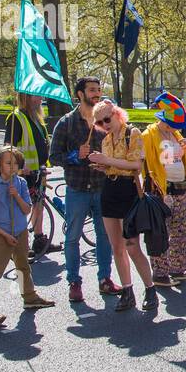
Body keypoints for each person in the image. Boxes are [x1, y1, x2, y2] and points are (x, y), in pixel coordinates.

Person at [50, 77, 120, 304]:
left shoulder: (106, 121)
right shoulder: (66, 123)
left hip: (103, 187)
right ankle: (74, 281)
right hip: (77, 188)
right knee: (72, 237)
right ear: (80, 94)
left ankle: (105, 279)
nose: (96, 94)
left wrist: (108, 162)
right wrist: (75, 155)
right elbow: (53, 157)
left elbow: (119, 150)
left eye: (99, 90)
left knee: (104, 236)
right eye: (92, 90)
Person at [87, 102, 157, 312]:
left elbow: (136, 165)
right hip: (110, 189)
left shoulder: (132, 133)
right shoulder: (106, 139)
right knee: (116, 246)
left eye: (107, 119)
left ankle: (150, 288)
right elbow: (115, 165)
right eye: (99, 122)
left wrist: (107, 160)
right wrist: (104, 166)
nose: (104, 125)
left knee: (132, 246)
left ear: (117, 114)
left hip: (128, 191)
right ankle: (127, 290)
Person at [0, 145, 55, 328]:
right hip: (2, 235)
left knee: (23, 267)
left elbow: (27, 209)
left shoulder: (20, 183)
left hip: (20, 232)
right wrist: (4, 234)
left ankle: (29, 296)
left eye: (15, 163)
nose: (12, 167)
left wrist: (16, 196)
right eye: (8, 163)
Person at [142, 92, 186, 287]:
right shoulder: (149, 135)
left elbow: (181, 158)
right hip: (161, 190)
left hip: (179, 187)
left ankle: (177, 268)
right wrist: (178, 152)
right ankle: (160, 272)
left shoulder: (176, 133)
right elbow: (147, 162)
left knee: (179, 231)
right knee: (160, 232)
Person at [4, 93, 60, 257]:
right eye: (36, 96)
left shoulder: (37, 118)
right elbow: (8, 147)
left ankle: (39, 239)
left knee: (39, 205)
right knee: (22, 209)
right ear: (25, 98)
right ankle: (21, 244)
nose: (40, 99)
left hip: (38, 171)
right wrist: (20, 165)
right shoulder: (16, 118)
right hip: (23, 174)